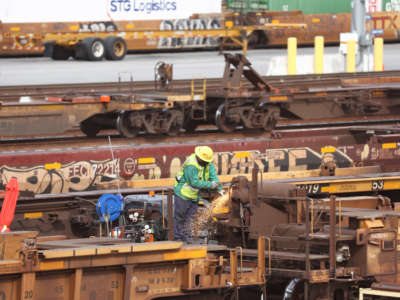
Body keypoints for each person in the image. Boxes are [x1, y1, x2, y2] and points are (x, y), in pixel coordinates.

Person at [173, 145, 223, 241]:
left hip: (194, 195)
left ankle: (187, 237)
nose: (207, 162)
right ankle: (178, 238)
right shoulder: (191, 165)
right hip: (183, 194)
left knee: (191, 217)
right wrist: (211, 185)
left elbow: (213, 177)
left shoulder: (207, 162)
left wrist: (219, 189)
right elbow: (194, 182)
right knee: (180, 216)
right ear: (199, 157)